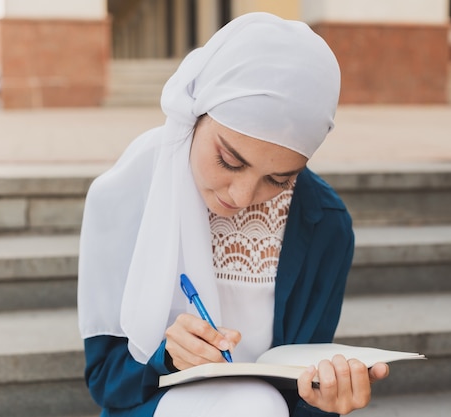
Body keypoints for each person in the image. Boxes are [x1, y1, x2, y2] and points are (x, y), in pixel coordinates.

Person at [78, 12, 389, 417]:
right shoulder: (124, 194)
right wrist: (167, 358)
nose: (242, 197)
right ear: (196, 112)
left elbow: (301, 395)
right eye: (229, 160)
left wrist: (326, 401)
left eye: (279, 179)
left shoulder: (325, 223)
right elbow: (106, 383)